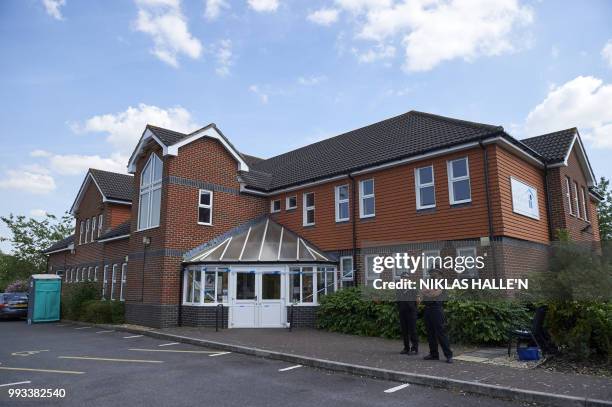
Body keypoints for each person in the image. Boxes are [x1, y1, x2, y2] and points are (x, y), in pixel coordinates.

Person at [421, 268, 453, 363]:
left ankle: (448, 355)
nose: (431, 273)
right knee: (430, 333)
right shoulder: (428, 281)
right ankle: (434, 354)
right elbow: (423, 291)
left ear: (439, 273)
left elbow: (435, 293)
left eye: (433, 272)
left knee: (441, 333)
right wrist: (429, 291)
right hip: (428, 308)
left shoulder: (442, 282)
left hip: (437, 309)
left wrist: (429, 292)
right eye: (430, 272)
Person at [396, 272, 418, 355]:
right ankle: (406, 348)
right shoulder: (399, 288)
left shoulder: (413, 288)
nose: (405, 279)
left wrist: (413, 308)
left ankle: (414, 348)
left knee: (413, 331)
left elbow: (416, 301)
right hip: (402, 312)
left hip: (411, 312)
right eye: (403, 278)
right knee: (404, 331)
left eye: (406, 278)